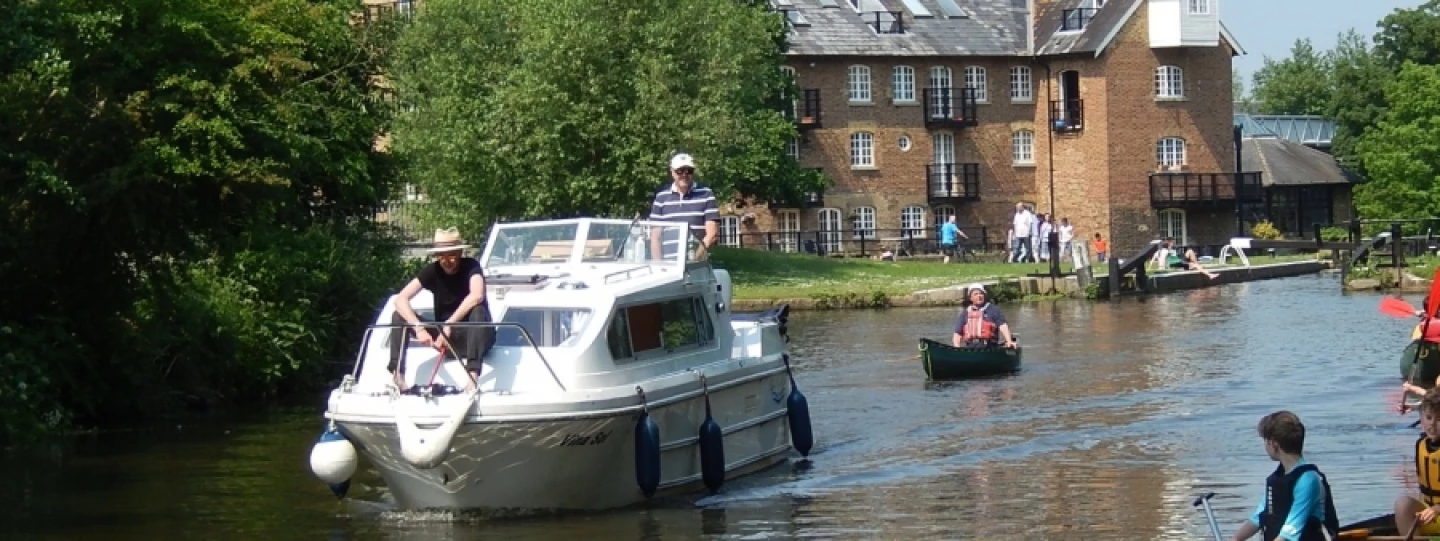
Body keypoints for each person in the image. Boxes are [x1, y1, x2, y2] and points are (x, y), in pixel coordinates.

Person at [388, 228, 494, 392]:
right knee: (398, 315)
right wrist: (419, 327)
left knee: (478, 310)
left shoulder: (471, 266)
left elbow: (477, 295)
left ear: (459, 253)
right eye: (440, 256)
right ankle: (398, 378)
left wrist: (449, 324)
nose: (446, 260)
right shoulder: (433, 270)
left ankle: (472, 378)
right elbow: (400, 299)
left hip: (476, 336)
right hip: (446, 340)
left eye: (451, 255)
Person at [1232, 410, 1340, 541]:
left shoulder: (1308, 480)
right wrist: (1235, 539)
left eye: (1265, 441)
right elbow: (1257, 518)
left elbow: (1290, 533)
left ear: (1274, 444)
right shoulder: (1277, 478)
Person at [649, 152, 719, 261]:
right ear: (672, 172)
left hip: (698, 266)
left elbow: (711, 235)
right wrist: (658, 266)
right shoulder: (661, 198)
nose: (684, 175)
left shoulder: (706, 194)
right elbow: (655, 238)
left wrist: (695, 261)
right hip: (669, 265)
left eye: (688, 171)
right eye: (680, 171)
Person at [1396, 388, 1440, 537]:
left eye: (1439, 419)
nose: (1432, 424)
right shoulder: (1421, 445)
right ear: (1421, 418)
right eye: (1428, 417)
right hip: (1431, 516)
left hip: (1437, 512)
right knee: (1403, 505)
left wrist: (1437, 509)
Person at [952, 284, 1016, 349]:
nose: (979, 296)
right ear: (970, 298)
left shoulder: (993, 310)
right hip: (970, 347)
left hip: (990, 347)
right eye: (976, 294)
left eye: (981, 294)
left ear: (984, 295)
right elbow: (957, 333)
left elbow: (1003, 326)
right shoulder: (965, 313)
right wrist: (956, 347)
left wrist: (1009, 341)